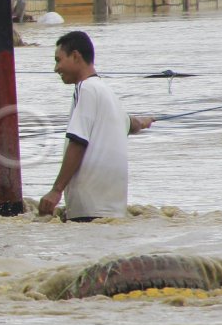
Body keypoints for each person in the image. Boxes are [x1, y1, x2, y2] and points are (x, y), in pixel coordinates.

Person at [38, 31, 154, 221]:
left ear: (76, 56)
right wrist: (145, 121)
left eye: (58, 60)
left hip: (88, 209)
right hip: (113, 211)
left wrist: (56, 190)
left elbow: (78, 142)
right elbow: (131, 124)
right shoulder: (107, 93)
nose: (56, 68)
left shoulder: (85, 89)